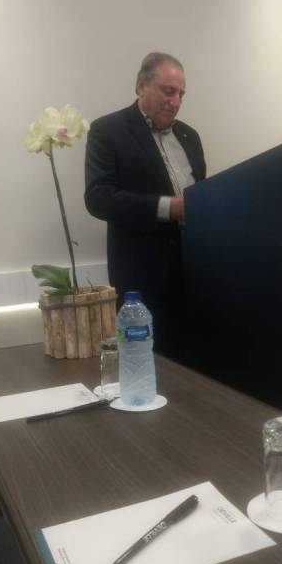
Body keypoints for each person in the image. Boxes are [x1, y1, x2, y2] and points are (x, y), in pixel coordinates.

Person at [84, 53, 206, 360]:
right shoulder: (108, 130)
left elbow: (202, 196)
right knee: (147, 366)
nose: (175, 101)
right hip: (141, 281)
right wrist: (168, 208)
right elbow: (99, 198)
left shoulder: (190, 136)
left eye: (181, 94)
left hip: (193, 275)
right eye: (168, 91)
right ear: (141, 86)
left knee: (195, 367)